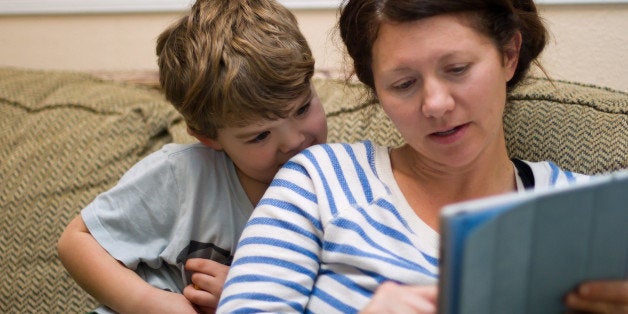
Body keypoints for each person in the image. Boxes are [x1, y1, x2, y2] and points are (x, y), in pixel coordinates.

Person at [217, 0, 628, 313]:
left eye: (458, 68)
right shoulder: (318, 182)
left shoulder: (589, 211)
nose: (435, 104)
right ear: (376, 89)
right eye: (404, 83)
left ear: (509, 55)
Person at [56, 0, 327, 313]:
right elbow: (76, 241)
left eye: (303, 108)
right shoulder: (183, 175)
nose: (295, 140)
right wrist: (153, 303)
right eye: (260, 135)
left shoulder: (344, 186)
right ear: (208, 137)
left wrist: (248, 290)